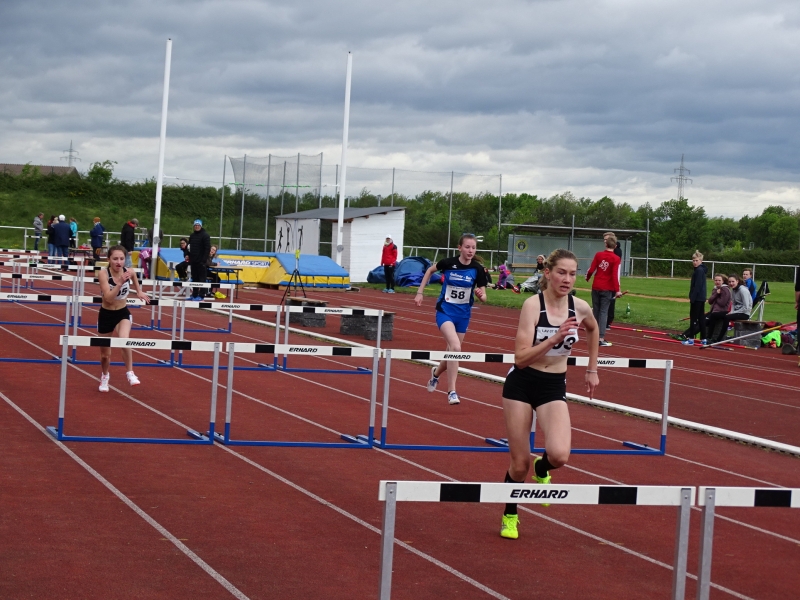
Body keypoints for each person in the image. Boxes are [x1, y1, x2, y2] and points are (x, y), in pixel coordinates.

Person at [499, 249, 600, 540]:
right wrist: (555, 337)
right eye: (561, 272)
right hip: (521, 384)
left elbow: (594, 330)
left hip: (553, 385)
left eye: (572, 274)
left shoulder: (580, 307)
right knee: (519, 464)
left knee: (559, 455)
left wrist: (592, 369)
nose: (567, 279)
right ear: (548, 273)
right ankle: (510, 514)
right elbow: (520, 359)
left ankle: (542, 468)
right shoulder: (533, 306)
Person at [414, 233, 488, 405]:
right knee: (455, 347)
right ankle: (452, 391)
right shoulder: (448, 263)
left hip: (463, 316)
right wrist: (420, 292)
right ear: (459, 248)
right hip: (445, 312)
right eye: (467, 247)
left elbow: (484, 297)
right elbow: (430, 270)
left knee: (452, 353)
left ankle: (435, 374)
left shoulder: (477, 269)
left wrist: (480, 295)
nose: (470, 250)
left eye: (473, 248)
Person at [97, 245, 150, 391]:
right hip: (106, 314)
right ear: (109, 259)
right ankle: (105, 376)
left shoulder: (129, 271)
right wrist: (119, 283)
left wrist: (139, 291)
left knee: (124, 339)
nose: (119, 262)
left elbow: (133, 276)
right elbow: (108, 298)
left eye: (121, 259)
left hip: (122, 313)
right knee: (105, 355)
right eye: (115, 259)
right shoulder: (103, 274)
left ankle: (130, 372)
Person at [585, 234, 621, 346]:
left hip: (596, 286)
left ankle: (593, 336)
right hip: (607, 288)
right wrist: (617, 290)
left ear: (605, 244)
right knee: (603, 312)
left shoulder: (598, 254)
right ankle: (600, 338)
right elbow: (614, 275)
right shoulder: (616, 258)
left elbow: (592, 269)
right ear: (615, 246)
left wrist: (588, 277)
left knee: (596, 311)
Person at [713, 274, 753, 343]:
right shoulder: (733, 290)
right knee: (715, 314)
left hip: (744, 313)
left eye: (733, 281)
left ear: (737, 281)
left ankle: (719, 339)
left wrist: (733, 313)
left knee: (727, 317)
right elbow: (733, 304)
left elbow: (746, 307)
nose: (731, 283)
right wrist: (731, 311)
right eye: (729, 282)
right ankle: (709, 337)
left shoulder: (743, 290)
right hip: (736, 312)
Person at [681, 251, 708, 344]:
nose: (695, 262)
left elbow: (697, 285)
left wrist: (692, 297)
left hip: (697, 298)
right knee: (701, 318)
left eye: (697, 260)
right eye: (693, 260)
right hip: (701, 297)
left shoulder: (699, 271)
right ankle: (704, 339)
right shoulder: (700, 270)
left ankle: (691, 339)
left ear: (701, 261)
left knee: (693, 318)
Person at [704, 274, 732, 344]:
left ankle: (709, 337)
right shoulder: (715, 289)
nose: (717, 282)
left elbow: (722, 303)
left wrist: (716, 297)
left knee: (710, 318)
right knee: (702, 320)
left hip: (722, 311)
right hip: (713, 311)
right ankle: (688, 335)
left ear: (723, 281)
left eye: (719, 280)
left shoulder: (725, 289)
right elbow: (710, 301)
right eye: (716, 280)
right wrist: (716, 294)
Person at [188, 218, 211, 301]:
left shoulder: (205, 235)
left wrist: (203, 260)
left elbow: (207, 248)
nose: (197, 226)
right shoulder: (192, 236)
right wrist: (188, 256)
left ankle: (201, 296)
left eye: (198, 225)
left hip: (201, 262)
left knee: (202, 279)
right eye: (195, 225)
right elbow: (189, 247)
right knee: (195, 279)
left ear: (201, 226)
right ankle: (194, 295)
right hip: (193, 261)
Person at [606, 238, 624, 327]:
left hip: (611, 283)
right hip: (609, 282)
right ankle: (607, 321)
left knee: (609, 303)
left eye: (606, 240)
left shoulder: (616, 254)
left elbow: (615, 273)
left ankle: (607, 321)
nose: (604, 242)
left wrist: (617, 287)